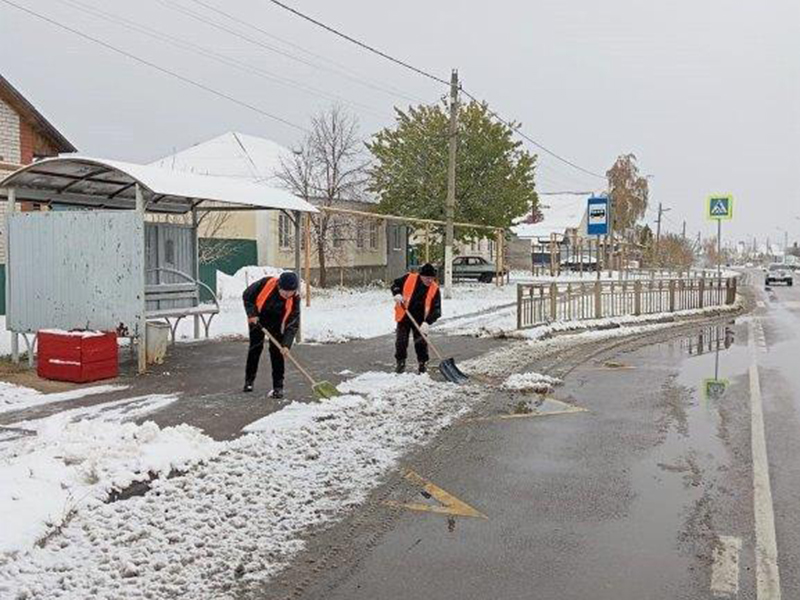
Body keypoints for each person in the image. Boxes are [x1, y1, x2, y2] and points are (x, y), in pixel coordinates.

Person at [242, 271, 300, 398]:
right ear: (279, 286)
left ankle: (278, 387)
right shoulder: (266, 283)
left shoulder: (295, 298)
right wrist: (252, 314)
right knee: (255, 348)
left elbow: (293, 323)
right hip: (258, 319)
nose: (287, 295)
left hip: (278, 323)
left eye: (290, 292)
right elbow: (247, 295)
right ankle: (249, 381)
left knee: (277, 352)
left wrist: (286, 345)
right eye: (285, 292)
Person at [391, 263, 442, 374]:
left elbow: (437, 310)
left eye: (432, 278)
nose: (429, 280)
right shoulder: (409, 278)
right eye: (427, 278)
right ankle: (400, 363)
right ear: (421, 276)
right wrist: (397, 293)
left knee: (421, 343)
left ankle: (422, 364)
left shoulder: (434, 289)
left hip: (420, 320)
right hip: (405, 316)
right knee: (401, 341)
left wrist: (427, 322)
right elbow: (395, 284)